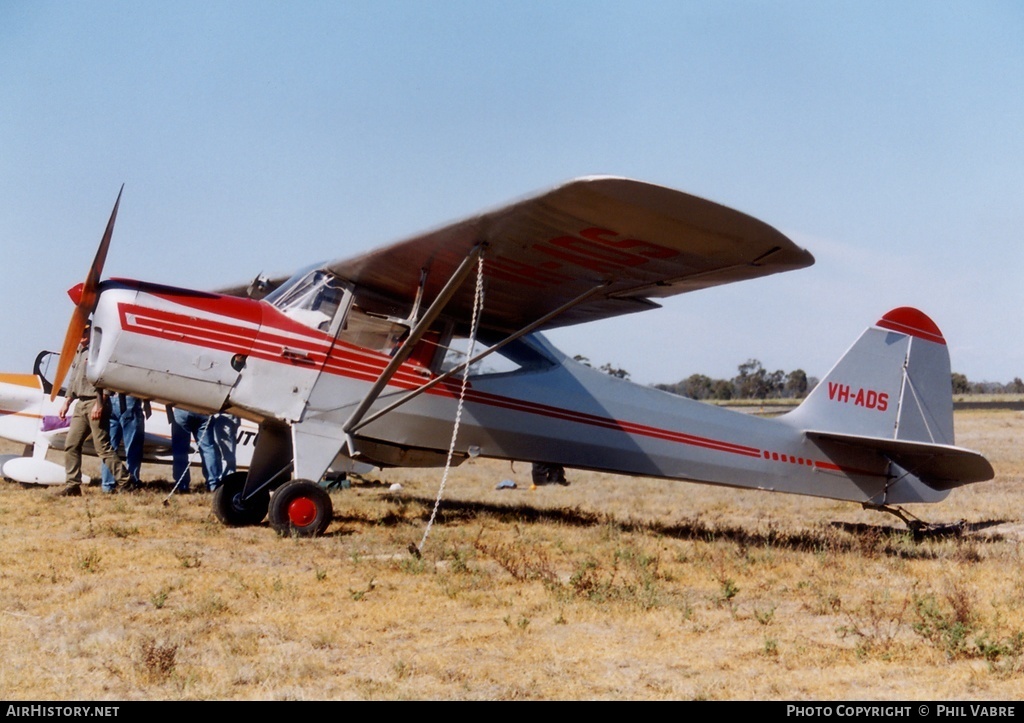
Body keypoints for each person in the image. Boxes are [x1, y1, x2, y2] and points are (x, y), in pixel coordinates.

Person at [56, 322, 130, 496]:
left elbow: (106, 377)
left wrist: (100, 402)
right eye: (79, 330)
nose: (82, 334)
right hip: (80, 404)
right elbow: (74, 379)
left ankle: (126, 482)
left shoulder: (98, 349)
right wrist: (66, 402)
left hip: (95, 402)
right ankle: (73, 485)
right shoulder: (79, 351)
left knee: (102, 448)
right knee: (71, 444)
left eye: (85, 331)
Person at [100, 394, 150, 493]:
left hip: (110, 400)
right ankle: (132, 482)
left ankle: (107, 485)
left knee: (109, 448)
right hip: (129, 399)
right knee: (133, 448)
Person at [168, 406, 222, 493]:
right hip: (205, 411)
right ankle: (213, 484)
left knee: (180, 450)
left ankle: (182, 485)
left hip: (183, 409)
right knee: (208, 449)